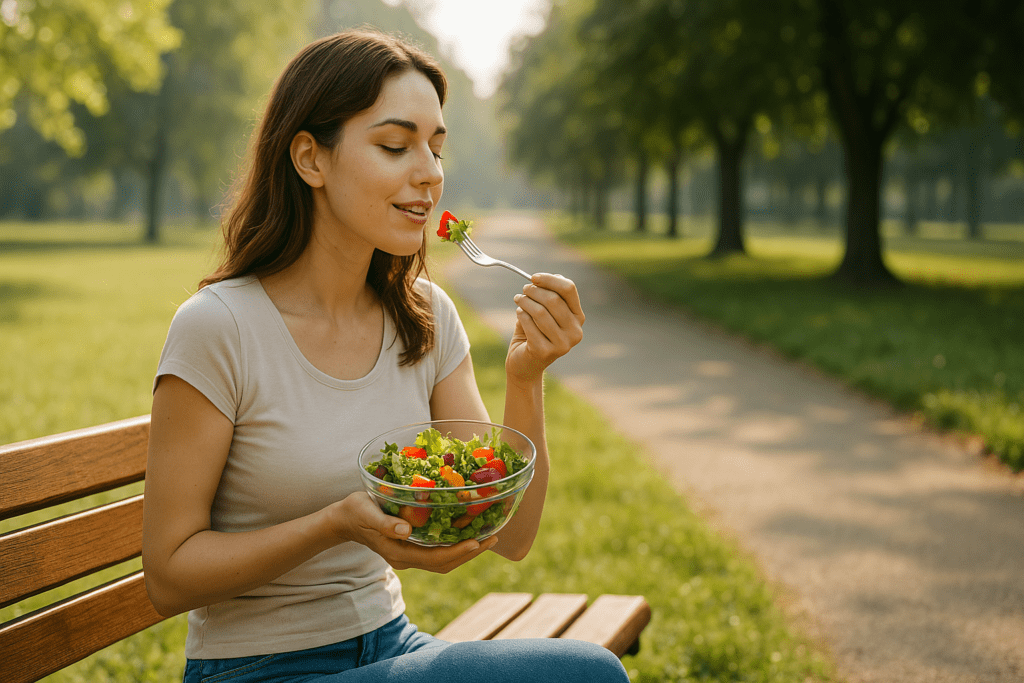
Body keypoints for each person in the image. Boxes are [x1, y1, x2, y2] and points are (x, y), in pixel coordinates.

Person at [142, 29, 628, 683]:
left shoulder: (424, 316)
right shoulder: (219, 327)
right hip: (256, 670)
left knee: (587, 669)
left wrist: (526, 376)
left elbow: (508, 536)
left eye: (435, 146)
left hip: (393, 645)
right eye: (396, 145)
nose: (428, 171)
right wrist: (334, 523)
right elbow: (169, 575)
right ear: (311, 159)